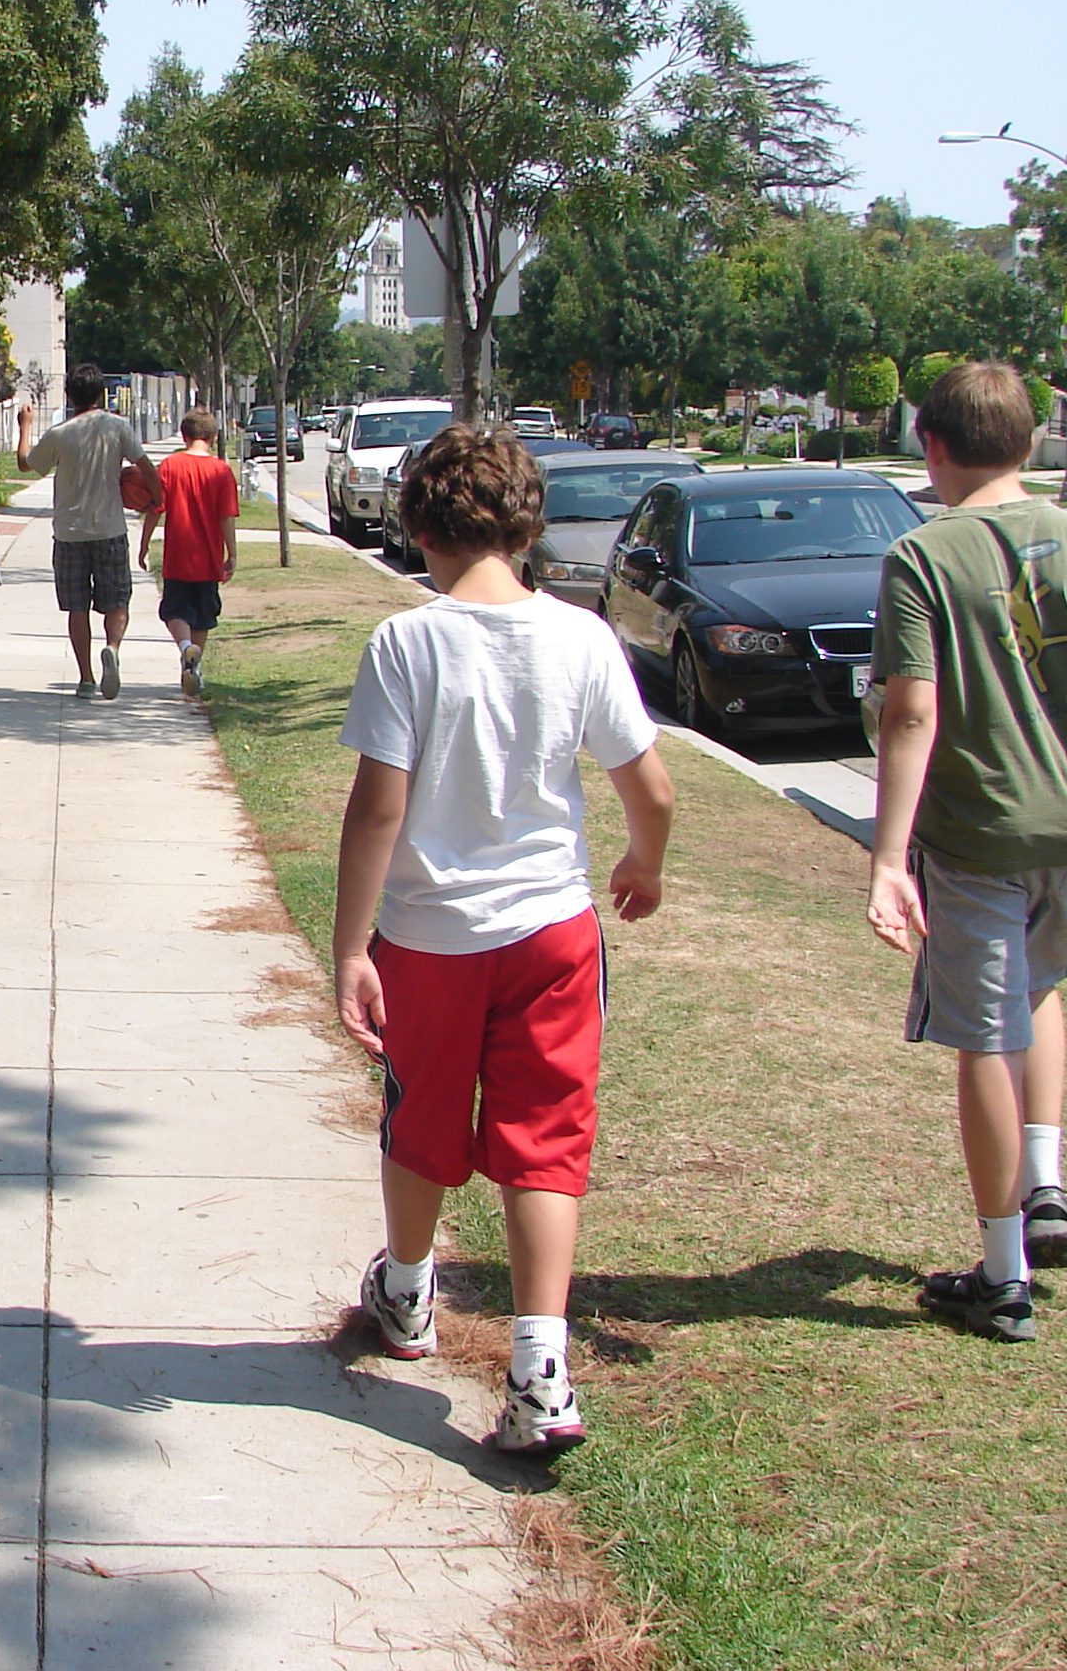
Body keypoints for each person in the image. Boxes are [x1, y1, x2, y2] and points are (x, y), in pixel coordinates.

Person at [331, 427, 673, 1456]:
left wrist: (351, 948)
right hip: (553, 932)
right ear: (526, 527)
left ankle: (406, 1292)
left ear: (420, 527)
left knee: (420, 1118)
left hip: (429, 937)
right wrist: (644, 862)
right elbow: (651, 788)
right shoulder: (582, 638)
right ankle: (540, 1371)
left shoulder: (406, 643)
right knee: (546, 1140)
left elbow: (377, 809)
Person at [867, 360, 1067, 1341]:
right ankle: (1046, 1182)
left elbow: (912, 712)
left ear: (933, 446)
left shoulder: (922, 557)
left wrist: (888, 858)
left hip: (977, 830)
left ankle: (1001, 1273)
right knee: (1040, 982)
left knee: (983, 1034)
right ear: (1029, 443)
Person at [15, 365, 155, 697]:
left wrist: (25, 426)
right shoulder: (117, 426)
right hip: (110, 529)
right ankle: (113, 648)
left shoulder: (60, 433)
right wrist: (157, 499)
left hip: (69, 533)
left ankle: (87, 679)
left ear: (69, 396)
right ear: (101, 394)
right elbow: (145, 466)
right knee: (117, 601)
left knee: (77, 608)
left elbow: (25, 463)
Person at [137, 408, 239, 699]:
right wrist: (232, 554)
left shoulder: (170, 465)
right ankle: (193, 667)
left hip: (178, 555)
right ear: (213, 437)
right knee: (202, 617)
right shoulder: (221, 470)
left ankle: (185, 649)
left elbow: (155, 509)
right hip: (208, 557)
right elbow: (226, 516)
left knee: (174, 611)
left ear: (184, 435)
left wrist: (144, 544)